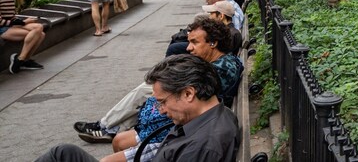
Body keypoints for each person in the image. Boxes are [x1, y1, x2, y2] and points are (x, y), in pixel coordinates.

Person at [41, 55, 241, 162]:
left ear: (189, 94)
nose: (161, 110)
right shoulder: (206, 118)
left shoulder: (204, 146)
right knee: (64, 153)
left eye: (163, 102)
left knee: (59, 155)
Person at [1, 0, 47, 72]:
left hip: (11, 25)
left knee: (39, 29)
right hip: (2, 28)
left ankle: (22, 59)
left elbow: (12, 17)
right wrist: (23, 22)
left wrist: (22, 22)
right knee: (39, 34)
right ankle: (21, 59)